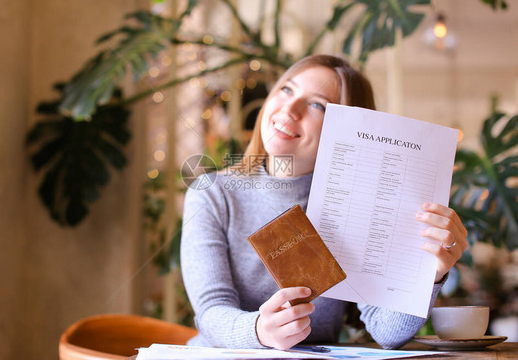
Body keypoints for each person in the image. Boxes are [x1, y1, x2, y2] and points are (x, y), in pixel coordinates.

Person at [180, 55, 468, 350]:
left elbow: (387, 332)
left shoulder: (354, 208)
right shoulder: (213, 194)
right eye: (286, 90)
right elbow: (210, 312)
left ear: (349, 129)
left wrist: (428, 275)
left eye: (317, 105)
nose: (289, 109)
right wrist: (259, 331)